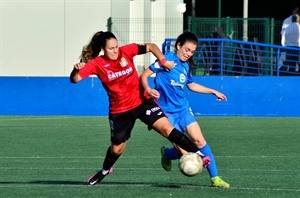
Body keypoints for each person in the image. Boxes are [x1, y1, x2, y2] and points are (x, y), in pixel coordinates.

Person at [70, 31, 210, 186]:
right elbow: (75, 79)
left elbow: (151, 46)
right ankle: (105, 170)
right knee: (117, 149)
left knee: (167, 129)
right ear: (103, 49)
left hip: (142, 101)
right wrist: (76, 69)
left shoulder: (127, 51)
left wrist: (162, 61)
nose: (116, 50)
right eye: (111, 48)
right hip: (120, 111)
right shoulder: (97, 64)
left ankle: (199, 153)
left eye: (116, 46)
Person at [140, 31, 230, 188]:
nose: (189, 54)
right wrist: (147, 89)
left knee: (199, 140)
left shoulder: (185, 66)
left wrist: (213, 91)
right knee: (184, 152)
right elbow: (144, 75)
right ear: (179, 45)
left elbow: (191, 85)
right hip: (166, 113)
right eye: (187, 50)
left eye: (192, 51)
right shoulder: (167, 59)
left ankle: (215, 178)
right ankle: (167, 154)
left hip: (183, 110)